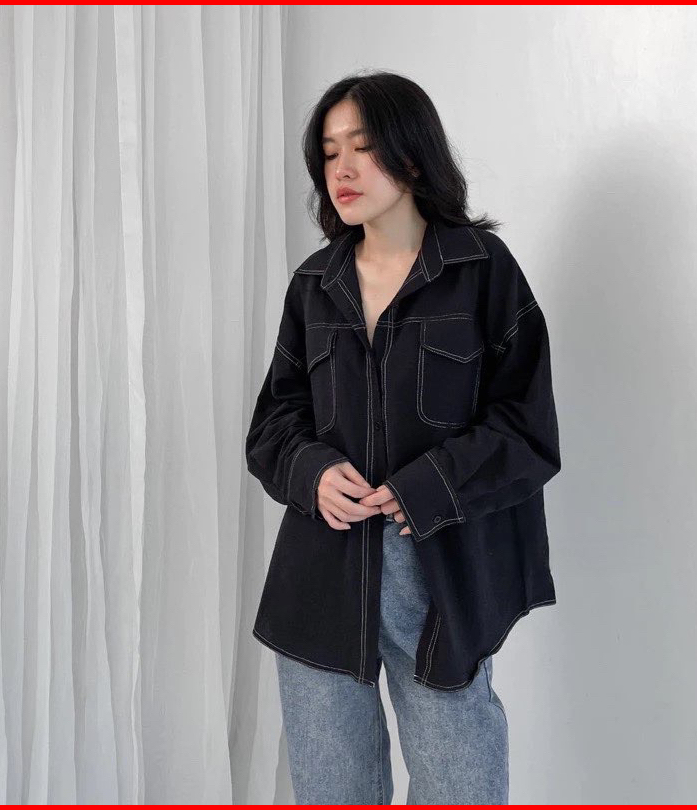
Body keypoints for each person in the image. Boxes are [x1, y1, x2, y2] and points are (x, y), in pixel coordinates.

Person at [245, 70, 561, 805]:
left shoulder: (481, 271)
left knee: (462, 787)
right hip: (321, 577)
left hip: (441, 571)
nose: (343, 169)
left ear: (412, 156)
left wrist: (429, 485)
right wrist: (312, 471)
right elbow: (273, 424)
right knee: (333, 794)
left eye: (362, 147)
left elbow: (529, 429)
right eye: (329, 153)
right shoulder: (313, 285)